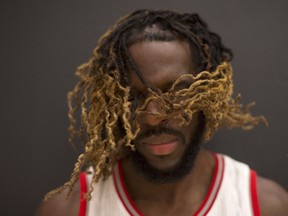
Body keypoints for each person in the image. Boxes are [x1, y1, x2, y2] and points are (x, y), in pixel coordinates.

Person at [36, 10, 288, 216]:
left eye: (176, 92)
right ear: (111, 102)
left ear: (210, 96)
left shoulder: (264, 206)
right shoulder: (68, 210)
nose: (153, 116)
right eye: (134, 96)